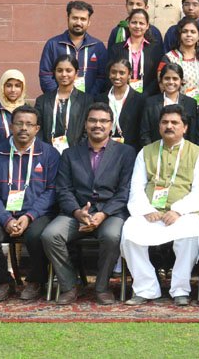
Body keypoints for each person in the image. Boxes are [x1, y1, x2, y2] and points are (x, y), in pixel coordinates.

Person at [41, 102, 136, 305]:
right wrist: (77, 212)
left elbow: (125, 191)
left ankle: (102, 287)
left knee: (112, 236)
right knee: (50, 235)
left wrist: (103, 214)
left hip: (110, 213)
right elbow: (63, 189)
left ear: (111, 125)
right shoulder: (70, 154)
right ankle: (69, 286)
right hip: (76, 213)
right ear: (85, 124)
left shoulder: (125, 153)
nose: (97, 125)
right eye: (92, 120)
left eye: (103, 121)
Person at [121, 104, 199, 306]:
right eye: (165, 122)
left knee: (190, 233)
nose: (169, 126)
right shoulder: (146, 152)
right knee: (129, 232)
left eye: (174, 122)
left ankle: (180, 289)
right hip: (150, 211)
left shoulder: (198, 153)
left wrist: (178, 210)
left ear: (185, 127)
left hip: (184, 213)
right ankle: (146, 288)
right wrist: (147, 210)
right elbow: (136, 187)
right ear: (159, 126)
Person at [0, 106, 58, 302]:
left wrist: (28, 216)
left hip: (37, 214)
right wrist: (5, 219)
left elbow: (52, 191)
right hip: (4, 213)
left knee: (38, 235)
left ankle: (35, 281)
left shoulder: (49, 154)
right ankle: (4, 281)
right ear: (11, 126)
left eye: (29, 124)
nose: (24, 128)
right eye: (19, 123)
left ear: (37, 128)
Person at [39, 0, 108, 96]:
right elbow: (45, 75)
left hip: (89, 104)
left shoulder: (98, 46)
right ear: (68, 19)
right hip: (59, 102)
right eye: (75, 18)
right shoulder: (53, 44)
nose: (78, 22)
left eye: (83, 19)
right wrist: (59, 96)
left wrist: (89, 99)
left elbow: (102, 77)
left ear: (89, 22)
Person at [35, 54, 92, 154]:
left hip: (77, 156)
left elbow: (88, 130)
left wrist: (77, 151)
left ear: (76, 73)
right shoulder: (42, 100)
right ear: (54, 72)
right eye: (59, 70)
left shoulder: (87, 100)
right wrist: (44, 150)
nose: (64, 74)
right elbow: (37, 129)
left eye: (68, 70)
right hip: (47, 154)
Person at [107, 8, 165, 97]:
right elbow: (110, 73)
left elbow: (157, 76)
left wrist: (146, 95)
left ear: (147, 26)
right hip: (122, 96)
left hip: (149, 98)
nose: (137, 26)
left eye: (141, 23)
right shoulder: (116, 48)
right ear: (128, 24)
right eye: (134, 22)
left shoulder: (155, 49)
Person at [139, 63, 198, 146]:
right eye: (167, 78)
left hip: (182, 154)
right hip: (155, 152)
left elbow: (192, 134)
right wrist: (151, 153)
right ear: (161, 80)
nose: (171, 82)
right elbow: (145, 133)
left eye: (175, 79)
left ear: (181, 81)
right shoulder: (150, 103)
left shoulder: (190, 103)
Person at [95, 59, 146, 150]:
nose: (117, 76)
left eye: (122, 73)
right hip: (103, 150)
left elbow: (141, 130)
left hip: (130, 150)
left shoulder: (140, 100)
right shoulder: (100, 99)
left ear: (129, 75)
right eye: (113, 72)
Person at [159, 18, 199, 104]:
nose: (188, 35)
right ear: (179, 35)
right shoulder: (169, 58)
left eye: (193, 32)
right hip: (175, 109)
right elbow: (162, 86)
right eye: (185, 31)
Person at [0, 69, 27, 154]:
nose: (13, 90)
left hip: (24, 161)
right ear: (2, 87)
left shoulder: (30, 113)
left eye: (17, 86)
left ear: (23, 88)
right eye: (9, 85)